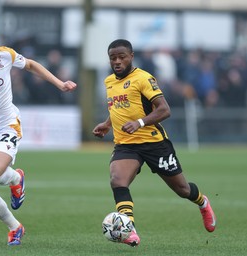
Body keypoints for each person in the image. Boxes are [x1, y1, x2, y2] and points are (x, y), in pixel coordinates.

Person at [0, 19, 77, 246]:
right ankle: (15, 227)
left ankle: (16, 178)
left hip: (7, 125)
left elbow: (30, 65)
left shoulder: (5, 55)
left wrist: (59, 83)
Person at [92, 39, 216, 247]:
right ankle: (129, 230)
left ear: (131, 56)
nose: (117, 61)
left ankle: (202, 202)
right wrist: (107, 124)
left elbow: (164, 110)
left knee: (183, 189)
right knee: (117, 180)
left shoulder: (143, 78)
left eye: (122, 57)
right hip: (126, 144)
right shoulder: (109, 82)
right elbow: (119, 108)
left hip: (154, 143)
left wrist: (139, 123)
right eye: (113, 58)